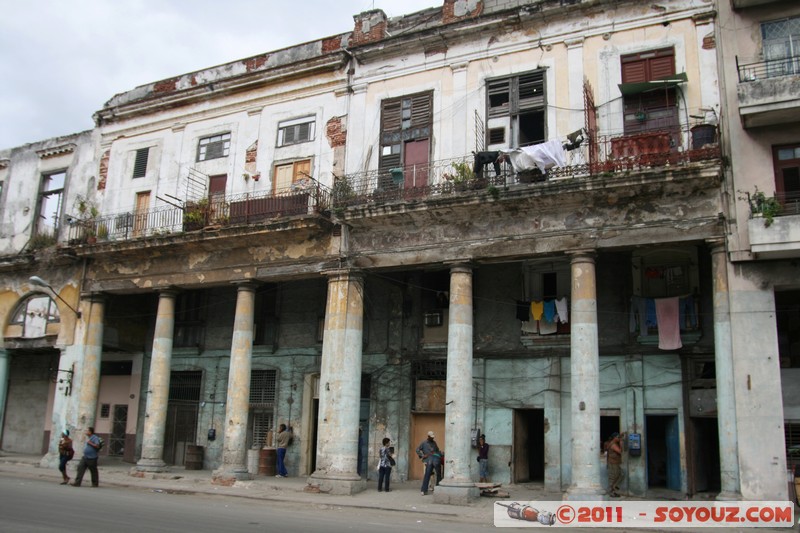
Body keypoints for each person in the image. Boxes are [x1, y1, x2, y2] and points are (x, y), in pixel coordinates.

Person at [416, 430, 442, 496]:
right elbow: (417, 449)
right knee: (427, 475)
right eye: (431, 437)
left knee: (437, 475)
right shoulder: (424, 443)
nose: (432, 438)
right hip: (427, 461)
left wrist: (438, 454)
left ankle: (435, 488)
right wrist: (422, 455)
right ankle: (424, 490)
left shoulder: (434, 443)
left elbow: (437, 450)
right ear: (428, 436)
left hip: (435, 460)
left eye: (433, 437)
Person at [604, 432, 624, 497]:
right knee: (613, 477)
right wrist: (621, 443)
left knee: (620, 474)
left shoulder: (614, 443)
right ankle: (612, 491)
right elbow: (620, 451)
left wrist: (621, 436)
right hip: (613, 463)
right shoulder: (613, 445)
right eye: (618, 437)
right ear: (615, 438)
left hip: (615, 462)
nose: (619, 438)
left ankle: (614, 489)